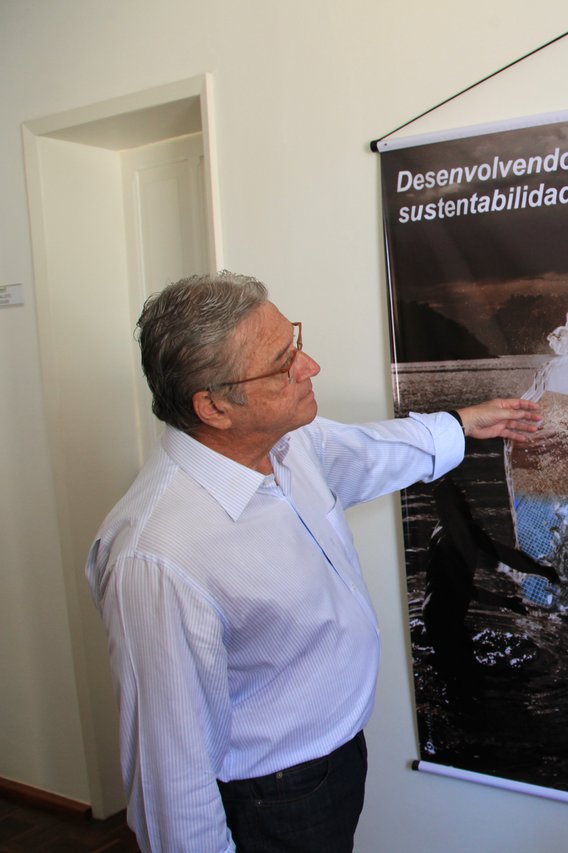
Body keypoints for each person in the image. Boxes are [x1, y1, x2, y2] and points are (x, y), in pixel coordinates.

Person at [84, 271, 541, 853]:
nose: (310, 366)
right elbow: (170, 775)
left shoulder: (288, 444)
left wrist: (462, 424)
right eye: (284, 364)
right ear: (214, 406)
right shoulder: (158, 558)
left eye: (294, 343)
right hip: (270, 796)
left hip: (334, 759)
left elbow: (366, 451)